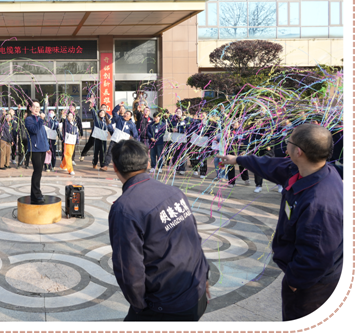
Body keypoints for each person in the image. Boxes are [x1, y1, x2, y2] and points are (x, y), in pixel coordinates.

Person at [219, 123, 342, 321]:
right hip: (307, 278)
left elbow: (316, 256)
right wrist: (237, 159)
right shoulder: (306, 170)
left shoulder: (319, 204)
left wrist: (294, 282)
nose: (285, 147)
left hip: (312, 287)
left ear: (298, 151)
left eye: (289, 142)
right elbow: (271, 166)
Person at [109, 139, 210, 321]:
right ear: (148, 163)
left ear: (115, 167)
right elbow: (195, 239)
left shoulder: (125, 208)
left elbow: (129, 267)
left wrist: (139, 307)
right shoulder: (174, 192)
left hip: (165, 307)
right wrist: (205, 277)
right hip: (196, 293)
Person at [24, 101, 49, 203]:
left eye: (38, 107)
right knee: (37, 171)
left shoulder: (39, 119)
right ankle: (36, 194)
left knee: (39, 171)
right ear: (30, 108)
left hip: (42, 148)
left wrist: (47, 147)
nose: (37, 109)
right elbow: (34, 130)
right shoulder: (29, 119)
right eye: (34, 107)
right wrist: (41, 120)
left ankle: (35, 194)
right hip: (34, 149)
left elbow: (43, 134)